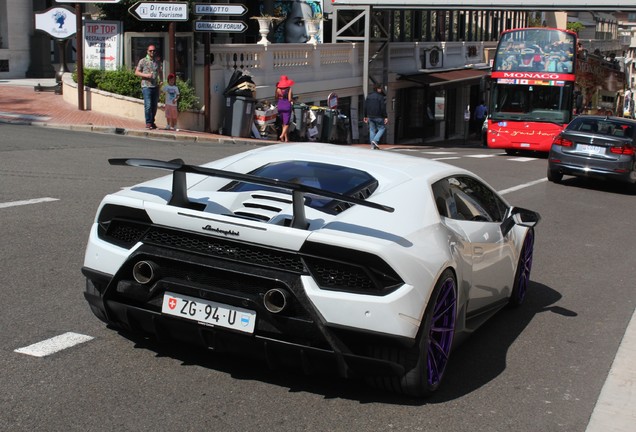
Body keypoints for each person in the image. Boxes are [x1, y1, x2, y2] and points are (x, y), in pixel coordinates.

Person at [135, 44, 163, 129]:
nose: (152, 52)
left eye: (154, 51)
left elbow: (160, 71)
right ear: (147, 51)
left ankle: (152, 122)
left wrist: (161, 80)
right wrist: (146, 75)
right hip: (146, 86)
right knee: (148, 105)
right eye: (150, 51)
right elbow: (136, 72)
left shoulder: (157, 61)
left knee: (154, 106)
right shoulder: (142, 61)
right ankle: (148, 122)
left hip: (155, 86)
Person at [363, 84, 388, 150]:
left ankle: (372, 146)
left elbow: (365, 106)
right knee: (382, 128)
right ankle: (375, 140)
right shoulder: (380, 97)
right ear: (378, 89)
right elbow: (382, 107)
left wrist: (365, 116)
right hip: (378, 116)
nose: (381, 90)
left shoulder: (369, 96)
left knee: (372, 130)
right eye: (380, 89)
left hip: (370, 116)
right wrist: (385, 116)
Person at [275, 75, 294, 142]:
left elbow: (276, 97)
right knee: (286, 123)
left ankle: (285, 139)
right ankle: (282, 135)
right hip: (286, 105)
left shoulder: (278, 89)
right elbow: (289, 99)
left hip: (280, 105)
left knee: (283, 123)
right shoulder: (289, 89)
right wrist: (292, 100)